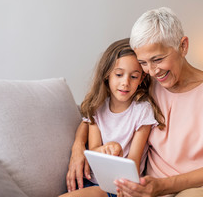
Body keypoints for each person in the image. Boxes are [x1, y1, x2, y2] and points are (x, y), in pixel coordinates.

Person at [67, 7, 203, 197]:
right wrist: (78, 147)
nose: (153, 71)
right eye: (144, 63)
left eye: (158, 59)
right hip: (154, 192)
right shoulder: (144, 87)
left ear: (183, 46)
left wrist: (163, 185)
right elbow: (95, 113)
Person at [61, 38, 165, 197]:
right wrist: (105, 149)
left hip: (118, 188)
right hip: (90, 180)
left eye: (134, 77)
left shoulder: (142, 111)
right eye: (119, 74)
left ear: (141, 79)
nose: (125, 83)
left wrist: (116, 151)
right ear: (107, 74)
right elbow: (94, 149)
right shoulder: (97, 107)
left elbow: (134, 164)